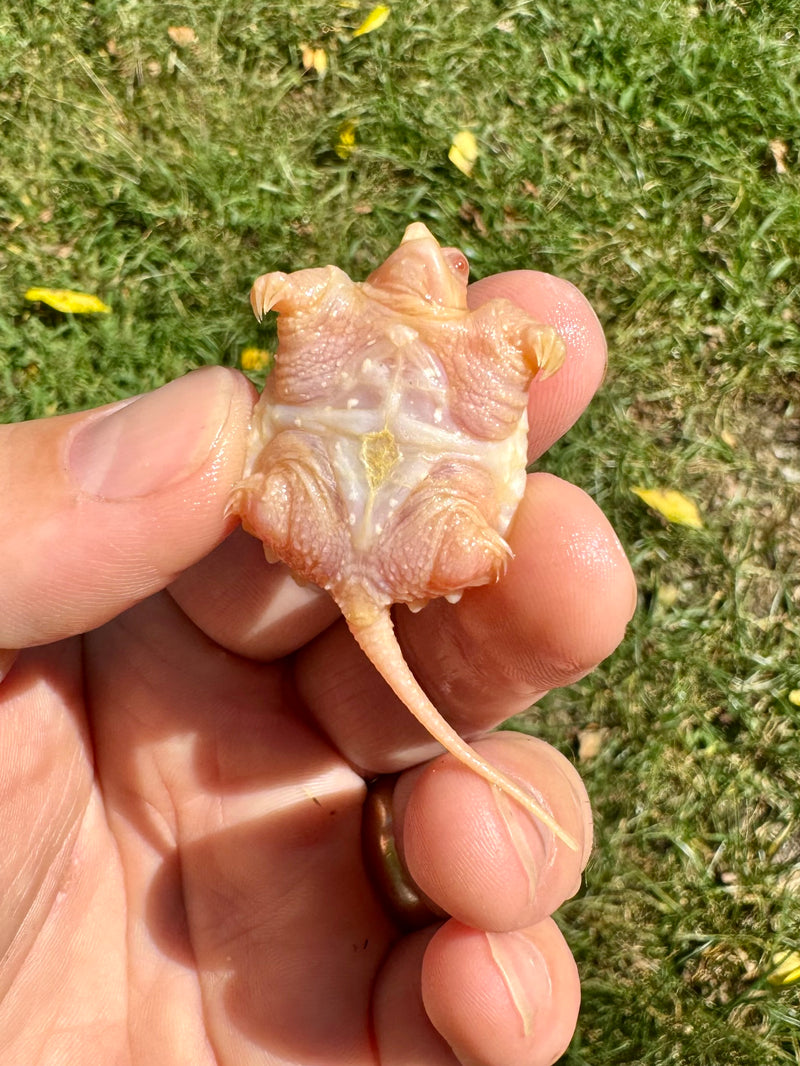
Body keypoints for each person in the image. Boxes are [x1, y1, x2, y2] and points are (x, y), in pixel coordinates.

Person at [0, 269, 636, 1065]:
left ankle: (446, 547)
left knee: (467, 548)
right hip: (364, 499)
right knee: (448, 548)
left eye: (446, 261)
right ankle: (443, 547)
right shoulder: (356, 307)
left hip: (363, 501)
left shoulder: (453, 329)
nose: (419, 251)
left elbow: (519, 349)